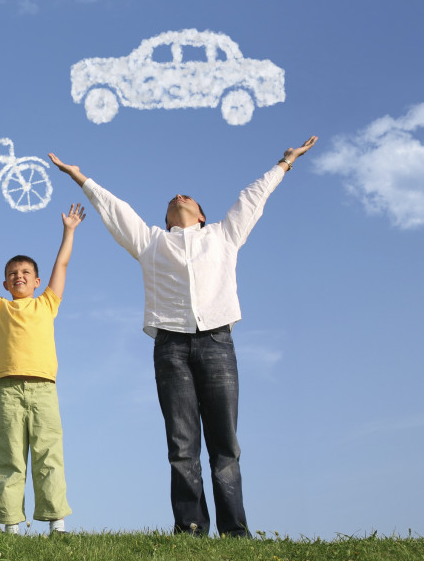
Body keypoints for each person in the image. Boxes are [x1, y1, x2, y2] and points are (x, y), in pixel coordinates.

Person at [48, 136, 318, 538]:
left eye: (187, 196)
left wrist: (285, 163)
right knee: (182, 443)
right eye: (173, 198)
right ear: (168, 218)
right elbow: (115, 210)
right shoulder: (151, 241)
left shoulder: (224, 235)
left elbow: (253, 197)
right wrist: (79, 177)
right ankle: (190, 528)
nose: (178, 196)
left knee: (225, 444)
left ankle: (235, 531)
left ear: (202, 216)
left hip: (217, 342)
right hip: (170, 346)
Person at [0, 204, 86, 534]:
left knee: (48, 456)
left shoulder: (47, 303)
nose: (19, 276)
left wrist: (69, 231)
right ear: (6, 283)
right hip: (9, 391)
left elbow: (63, 264)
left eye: (25, 272)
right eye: (13, 273)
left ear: (37, 281)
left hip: (44, 390)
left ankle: (57, 525)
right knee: (9, 457)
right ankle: (10, 525)